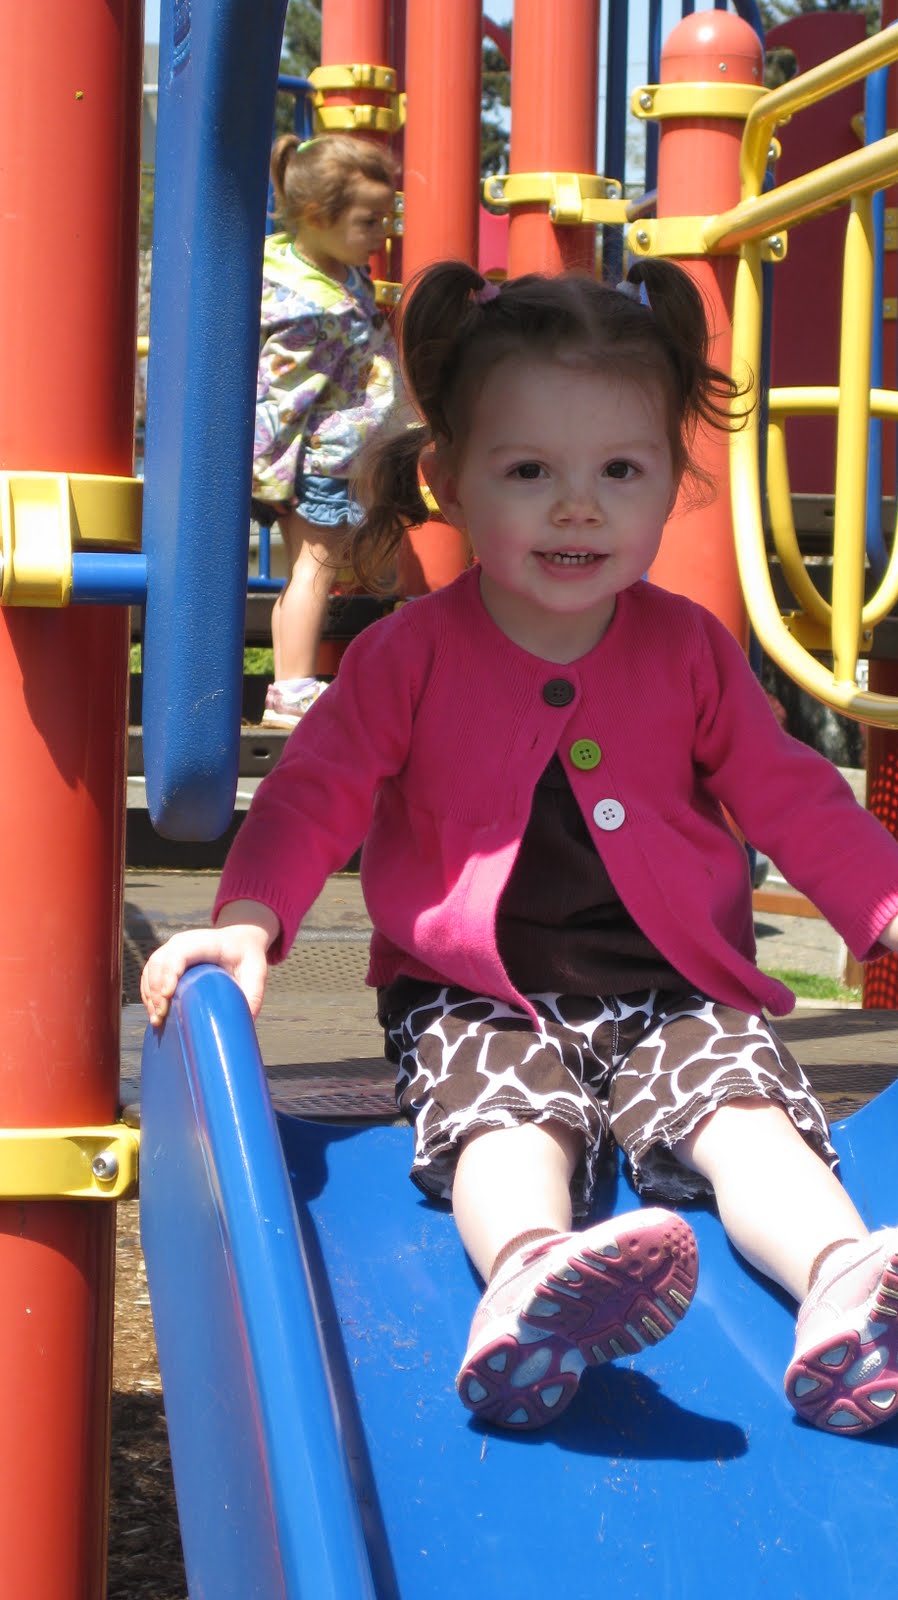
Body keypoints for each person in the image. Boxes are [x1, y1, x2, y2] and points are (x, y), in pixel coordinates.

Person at [143, 258, 898, 1440]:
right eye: (529, 470)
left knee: (743, 1110)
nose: (577, 507)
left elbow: (793, 795)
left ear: (673, 485)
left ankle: (844, 1283)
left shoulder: (689, 651)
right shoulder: (407, 655)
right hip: (474, 1000)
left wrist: (882, 903)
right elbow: (313, 795)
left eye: (619, 472)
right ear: (448, 480)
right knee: (507, 1119)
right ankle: (530, 1277)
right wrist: (250, 919)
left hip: (673, 993)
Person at [252, 132, 401, 728]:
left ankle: (291, 683)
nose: (383, 233)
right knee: (315, 568)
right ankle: (292, 688)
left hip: (325, 450)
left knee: (309, 569)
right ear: (317, 215)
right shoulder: (314, 304)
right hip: (320, 454)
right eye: (370, 221)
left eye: (386, 218)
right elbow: (283, 391)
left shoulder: (321, 270)